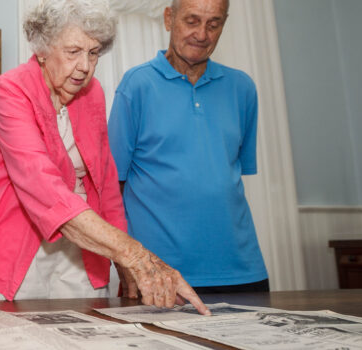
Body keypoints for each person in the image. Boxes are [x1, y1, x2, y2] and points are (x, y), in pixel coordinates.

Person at [0, 0, 209, 314]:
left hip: (81, 248)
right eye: (73, 51)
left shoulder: (92, 94)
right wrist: (137, 257)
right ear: (42, 50)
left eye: (93, 53)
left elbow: (105, 184)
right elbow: (43, 187)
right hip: (9, 247)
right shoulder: (11, 91)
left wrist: (122, 261)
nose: (85, 67)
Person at [108, 0, 269, 294]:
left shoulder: (243, 88)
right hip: (158, 274)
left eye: (214, 23)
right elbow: (112, 186)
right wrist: (124, 263)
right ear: (169, 18)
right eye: (192, 21)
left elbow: (227, 177)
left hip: (242, 270)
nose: (202, 34)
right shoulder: (136, 84)